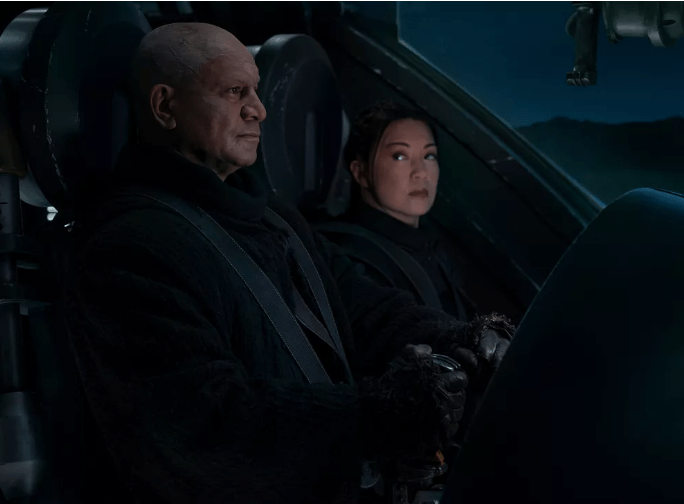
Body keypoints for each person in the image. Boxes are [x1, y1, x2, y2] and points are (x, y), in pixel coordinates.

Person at [65, 22, 513, 504]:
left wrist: (464, 341)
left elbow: (362, 306)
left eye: (256, 91)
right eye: (234, 91)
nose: (258, 109)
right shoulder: (130, 247)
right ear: (164, 107)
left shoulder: (272, 216)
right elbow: (205, 426)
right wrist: (379, 414)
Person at [318, 101, 478, 321]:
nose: (421, 172)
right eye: (400, 156)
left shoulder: (432, 247)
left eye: (429, 156)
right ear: (361, 172)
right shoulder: (353, 264)